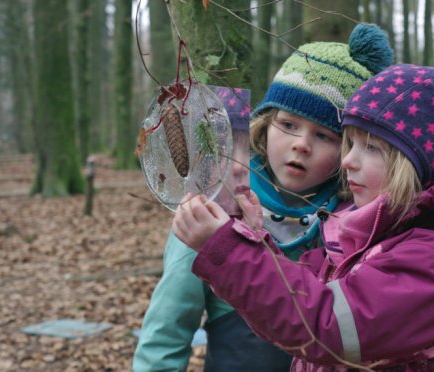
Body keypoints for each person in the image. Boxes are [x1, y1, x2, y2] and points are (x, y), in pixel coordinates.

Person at [172, 64, 434, 371]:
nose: (348, 161)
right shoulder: (371, 234)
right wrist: (249, 237)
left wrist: (229, 252)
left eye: (371, 148)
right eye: (349, 144)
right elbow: (300, 296)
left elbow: (323, 327)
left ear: (418, 165)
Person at [133, 24, 394, 372]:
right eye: (288, 124)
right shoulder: (218, 206)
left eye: (324, 135)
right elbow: (167, 330)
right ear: (265, 125)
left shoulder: (358, 223)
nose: (301, 143)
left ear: (348, 149)